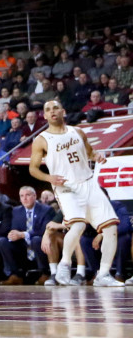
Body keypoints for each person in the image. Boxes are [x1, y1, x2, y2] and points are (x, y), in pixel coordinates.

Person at [28, 99, 124, 286]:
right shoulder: (41, 140)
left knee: (111, 228)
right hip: (65, 186)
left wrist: (97, 156)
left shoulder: (78, 131)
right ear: (45, 116)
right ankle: (64, 265)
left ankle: (103, 274)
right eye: (48, 109)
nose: (52, 111)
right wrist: (49, 179)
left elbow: (90, 152)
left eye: (56, 107)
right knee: (78, 225)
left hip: (88, 182)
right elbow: (33, 169)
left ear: (63, 111)